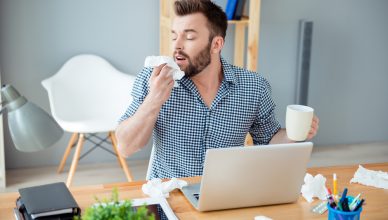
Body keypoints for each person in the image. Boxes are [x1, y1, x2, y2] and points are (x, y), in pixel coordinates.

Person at [116, 0, 319, 180]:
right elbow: (126, 146)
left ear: (216, 44)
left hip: (226, 195)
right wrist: (154, 100)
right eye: (174, 36)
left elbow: (268, 141)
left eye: (189, 37)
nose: (177, 46)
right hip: (170, 199)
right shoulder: (154, 79)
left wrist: (295, 133)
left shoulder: (253, 87)